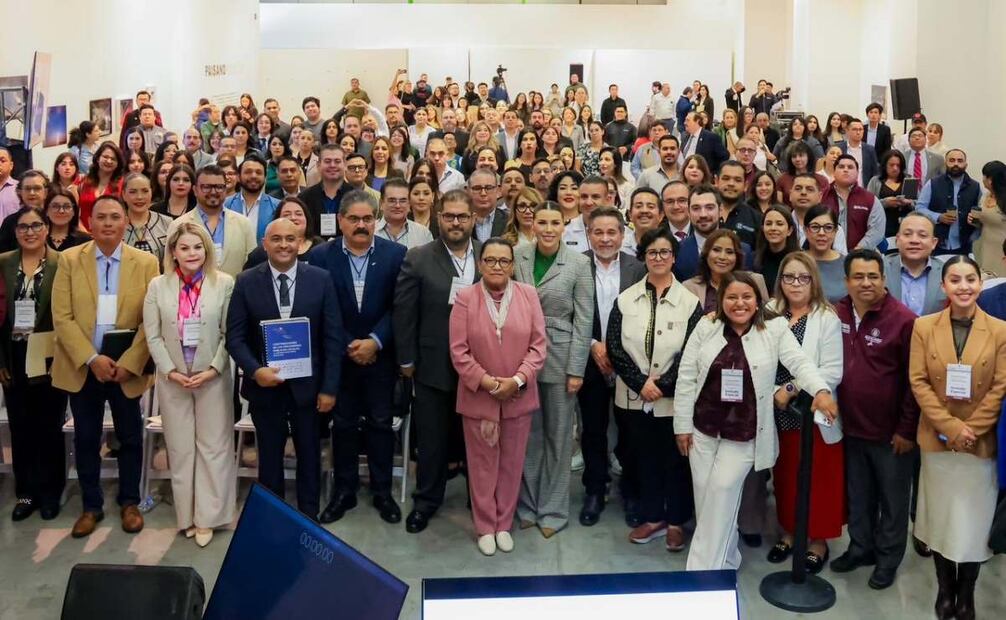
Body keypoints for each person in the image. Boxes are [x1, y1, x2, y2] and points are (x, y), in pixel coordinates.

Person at [674, 271, 837, 570]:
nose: (739, 303)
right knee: (707, 502)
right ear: (721, 300)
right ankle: (727, 558)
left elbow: (800, 363)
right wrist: (682, 426)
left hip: (745, 434)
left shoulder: (773, 329)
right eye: (732, 297)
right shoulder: (706, 326)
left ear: (758, 301)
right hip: (703, 430)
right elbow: (686, 377)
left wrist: (821, 390)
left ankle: (701, 576)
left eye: (746, 297)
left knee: (721, 496)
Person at [51, 195, 160, 538]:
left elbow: (150, 320)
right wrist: (92, 358)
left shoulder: (145, 262)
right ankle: (91, 505)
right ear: (90, 222)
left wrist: (129, 363)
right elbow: (62, 317)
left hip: (126, 369)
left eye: (115, 217)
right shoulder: (69, 260)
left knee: (129, 436)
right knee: (86, 438)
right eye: (102, 217)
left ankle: (129, 502)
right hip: (84, 367)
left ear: (126, 221)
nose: (109, 223)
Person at [910, 255, 1006, 620]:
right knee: (940, 520)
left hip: (979, 445)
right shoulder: (923, 327)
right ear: (944, 285)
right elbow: (918, 381)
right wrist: (950, 428)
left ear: (980, 283)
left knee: (973, 526)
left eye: (970, 279)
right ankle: (944, 589)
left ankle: (966, 593)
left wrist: (971, 430)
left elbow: (1000, 386)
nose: (963, 286)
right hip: (938, 441)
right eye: (955, 279)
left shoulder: (1000, 330)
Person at [226, 217, 341, 520]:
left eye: (290, 239)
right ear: (265, 243)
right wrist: (254, 371)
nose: (284, 245)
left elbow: (332, 337)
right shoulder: (246, 281)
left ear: (300, 243)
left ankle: (308, 517)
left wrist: (329, 388)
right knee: (270, 458)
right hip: (266, 388)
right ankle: (273, 518)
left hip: (309, 389)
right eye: (276, 239)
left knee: (309, 455)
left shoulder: (320, 279)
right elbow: (235, 338)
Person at [307, 191, 406, 525]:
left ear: (376, 220)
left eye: (367, 219)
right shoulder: (322, 256)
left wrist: (375, 341)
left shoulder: (396, 255)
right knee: (344, 425)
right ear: (341, 221)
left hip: (381, 357)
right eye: (354, 219)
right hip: (341, 358)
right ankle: (344, 491)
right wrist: (351, 344)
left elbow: (399, 306)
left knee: (380, 425)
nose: (361, 225)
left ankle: (382, 491)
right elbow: (322, 309)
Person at [448, 237, 546, 555]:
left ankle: (504, 524)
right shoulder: (465, 297)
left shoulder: (529, 295)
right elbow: (459, 351)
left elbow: (538, 346)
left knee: (511, 463)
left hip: (518, 395)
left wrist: (516, 381)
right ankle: (485, 525)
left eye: (504, 261)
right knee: (482, 466)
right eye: (490, 260)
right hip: (480, 397)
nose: (497, 266)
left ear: (513, 265)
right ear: (480, 264)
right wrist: (490, 384)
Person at [830, 249, 919, 590]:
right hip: (849, 427)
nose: (866, 283)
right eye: (858, 277)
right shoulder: (837, 311)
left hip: (891, 434)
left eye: (873, 276)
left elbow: (915, 381)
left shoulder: (904, 320)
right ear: (847, 280)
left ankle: (887, 559)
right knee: (858, 495)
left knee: (893, 502)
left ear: (883, 279)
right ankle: (860, 547)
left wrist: (906, 429)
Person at [607, 228, 701, 549]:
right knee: (642, 460)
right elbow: (614, 348)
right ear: (643, 257)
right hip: (632, 399)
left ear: (674, 258)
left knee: (675, 463)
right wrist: (640, 383)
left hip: (673, 401)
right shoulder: (625, 299)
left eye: (664, 252)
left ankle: (675, 521)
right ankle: (652, 518)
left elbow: (692, 353)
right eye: (652, 253)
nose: (658, 258)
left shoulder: (690, 303)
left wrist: (661, 386)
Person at [142, 223, 235, 547]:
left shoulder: (223, 283)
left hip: (211, 377)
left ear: (207, 250)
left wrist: (213, 368)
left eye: (198, 247)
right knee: (180, 449)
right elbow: (152, 335)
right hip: (174, 379)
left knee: (213, 447)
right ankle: (188, 517)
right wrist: (169, 370)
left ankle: (209, 517)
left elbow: (228, 333)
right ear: (173, 252)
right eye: (184, 248)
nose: (192, 253)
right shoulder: (158, 286)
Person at [393, 190, 479, 533]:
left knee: (478, 438)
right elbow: (404, 313)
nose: (455, 222)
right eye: (449, 216)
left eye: (462, 216)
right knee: (432, 441)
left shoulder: (490, 255)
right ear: (438, 218)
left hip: (480, 368)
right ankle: (427, 501)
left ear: (473, 218)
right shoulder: (419, 257)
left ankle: (481, 500)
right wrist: (406, 359)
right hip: (433, 365)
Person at [513, 202, 594, 537]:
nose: (547, 229)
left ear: (565, 225)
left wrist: (577, 369)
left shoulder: (578, 263)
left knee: (558, 437)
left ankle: (553, 510)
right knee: (527, 437)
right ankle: (527, 505)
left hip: (561, 358)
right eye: (541, 222)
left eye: (555, 223)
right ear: (533, 224)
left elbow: (585, 319)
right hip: (520, 359)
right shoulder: (518, 255)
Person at [764, 252, 844, 573]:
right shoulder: (769, 313)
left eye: (803, 277)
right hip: (775, 410)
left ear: (814, 281)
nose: (795, 284)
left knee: (817, 478)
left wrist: (791, 388)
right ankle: (789, 531)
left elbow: (833, 370)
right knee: (784, 476)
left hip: (812, 412)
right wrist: (774, 393)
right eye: (789, 277)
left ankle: (818, 541)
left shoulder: (827, 316)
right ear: (780, 281)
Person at [575, 207, 648, 527]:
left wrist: (616, 352)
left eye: (612, 233)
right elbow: (570, 312)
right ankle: (594, 488)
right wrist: (594, 345)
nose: (605, 239)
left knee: (631, 433)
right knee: (592, 431)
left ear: (623, 234)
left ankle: (631, 491)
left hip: (628, 366)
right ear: (589, 235)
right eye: (598, 233)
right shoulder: (576, 266)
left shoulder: (638, 269)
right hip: (589, 361)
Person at [0, 206, 66, 521]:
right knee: (21, 426)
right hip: (12, 355)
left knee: (49, 427)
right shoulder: (3, 263)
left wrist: (62, 357)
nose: (29, 231)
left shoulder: (61, 263)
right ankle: (26, 492)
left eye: (36, 225)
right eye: (23, 226)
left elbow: (68, 314)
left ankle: (51, 492)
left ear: (46, 228)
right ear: (15, 232)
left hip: (49, 355)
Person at [170, 165, 256, 277]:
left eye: (219, 187)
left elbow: (253, 265)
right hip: (192, 292)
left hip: (235, 292)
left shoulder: (244, 224)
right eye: (206, 187)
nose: (213, 192)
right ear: (195, 190)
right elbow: (171, 268)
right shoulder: (178, 225)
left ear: (225, 189)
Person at [683, 228, 768, 312]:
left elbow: (767, 319)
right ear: (706, 253)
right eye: (716, 250)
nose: (722, 257)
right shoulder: (689, 287)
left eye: (729, 252)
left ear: (737, 257)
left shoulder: (756, 281)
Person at [916, 149, 980, 255]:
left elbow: (981, 214)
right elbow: (919, 208)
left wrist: (973, 236)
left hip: (963, 246)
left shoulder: (975, 187)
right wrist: (938, 217)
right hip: (935, 244)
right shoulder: (933, 183)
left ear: (966, 164)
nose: (956, 164)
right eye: (952, 160)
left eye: (960, 161)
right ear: (945, 163)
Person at [885, 212, 946, 316]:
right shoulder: (879, 269)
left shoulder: (946, 273)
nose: (914, 240)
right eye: (907, 234)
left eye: (922, 235)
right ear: (897, 240)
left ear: (934, 243)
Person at [821, 154, 886, 250]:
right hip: (827, 256)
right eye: (841, 167)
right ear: (834, 172)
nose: (845, 169)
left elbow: (877, 230)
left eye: (850, 167)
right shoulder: (822, 196)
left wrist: (858, 250)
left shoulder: (870, 199)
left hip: (861, 257)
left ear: (857, 173)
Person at [244, 197, 323, 269]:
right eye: (287, 214)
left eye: (298, 214)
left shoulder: (320, 247)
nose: (293, 218)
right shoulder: (264, 251)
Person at [299, 144, 351, 242]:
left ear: (345, 165)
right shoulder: (304, 198)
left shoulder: (357, 197)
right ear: (318, 165)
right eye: (327, 161)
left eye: (337, 161)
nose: (332, 165)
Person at [122, 173, 172, 262]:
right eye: (133, 192)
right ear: (124, 195)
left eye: (145, 191)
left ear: (151, 193)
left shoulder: (167, 223)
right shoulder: (116, 224)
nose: (139, 197)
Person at [803, 204, 848, 302]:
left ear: (835, 231)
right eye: (815, 227)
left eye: (828, 227)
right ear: (806, 230)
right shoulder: (794, 262)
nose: (821, 233)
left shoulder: (848, 264)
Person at [77, 143, 125, 230]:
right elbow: (74, 212)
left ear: (118, 163)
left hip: (111, 234)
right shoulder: (82, 181)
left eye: (113, 159)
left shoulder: (123, 184)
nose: (109, 161)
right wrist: (84, 233)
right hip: (83, 234)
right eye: (105, 157)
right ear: (98, 158)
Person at [376, 178, 433, 250]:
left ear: (409, 204)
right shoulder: (371, 231)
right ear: (381, 203)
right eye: (392, 201)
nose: (397, 205)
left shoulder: (423, 234)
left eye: (402, 201)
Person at [867, 150, 913, 239]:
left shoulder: (909, 179)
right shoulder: (875, 181)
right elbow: (868, 204)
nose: (895, 168)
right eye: (891, 165)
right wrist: (885, 203)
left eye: (898, 165)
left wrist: (908, 202)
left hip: (906, 226)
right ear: (885, 165)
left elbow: (918, 203)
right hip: (882, 225)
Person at [754, 204, 800, 292]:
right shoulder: (754, 259)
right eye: (768, 224)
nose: (773, 228)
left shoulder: (801, 260)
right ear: (763, 228)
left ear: (789, 230)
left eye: (779, 224)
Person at [716, 161, 762, 247]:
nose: (731, 184)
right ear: (716, 181)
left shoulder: (756, 219)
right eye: (726, 178)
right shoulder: (703, 213)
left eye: (737, 180)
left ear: (745, 185)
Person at [971, 160, 1006, 276]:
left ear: (990, 180)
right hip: (985, 245)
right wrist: (974, 221)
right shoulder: (985, 196)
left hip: (1002, 247)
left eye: (984, 176)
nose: (983, 179)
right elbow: (984, 221)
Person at [469, 169, 507, 242]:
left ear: (498, 191)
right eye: (477, 188)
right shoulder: (461, 220)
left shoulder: (509, 221)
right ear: (468, 191)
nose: (483, 193)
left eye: (488, 188)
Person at [839, 119, 879, 187]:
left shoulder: (869, 149)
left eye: (860, 129)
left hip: (863, 189)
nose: (858, 132)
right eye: (854, 129)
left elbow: (875, 172)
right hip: (843, 188)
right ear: (847, 131)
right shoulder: (840, 148)